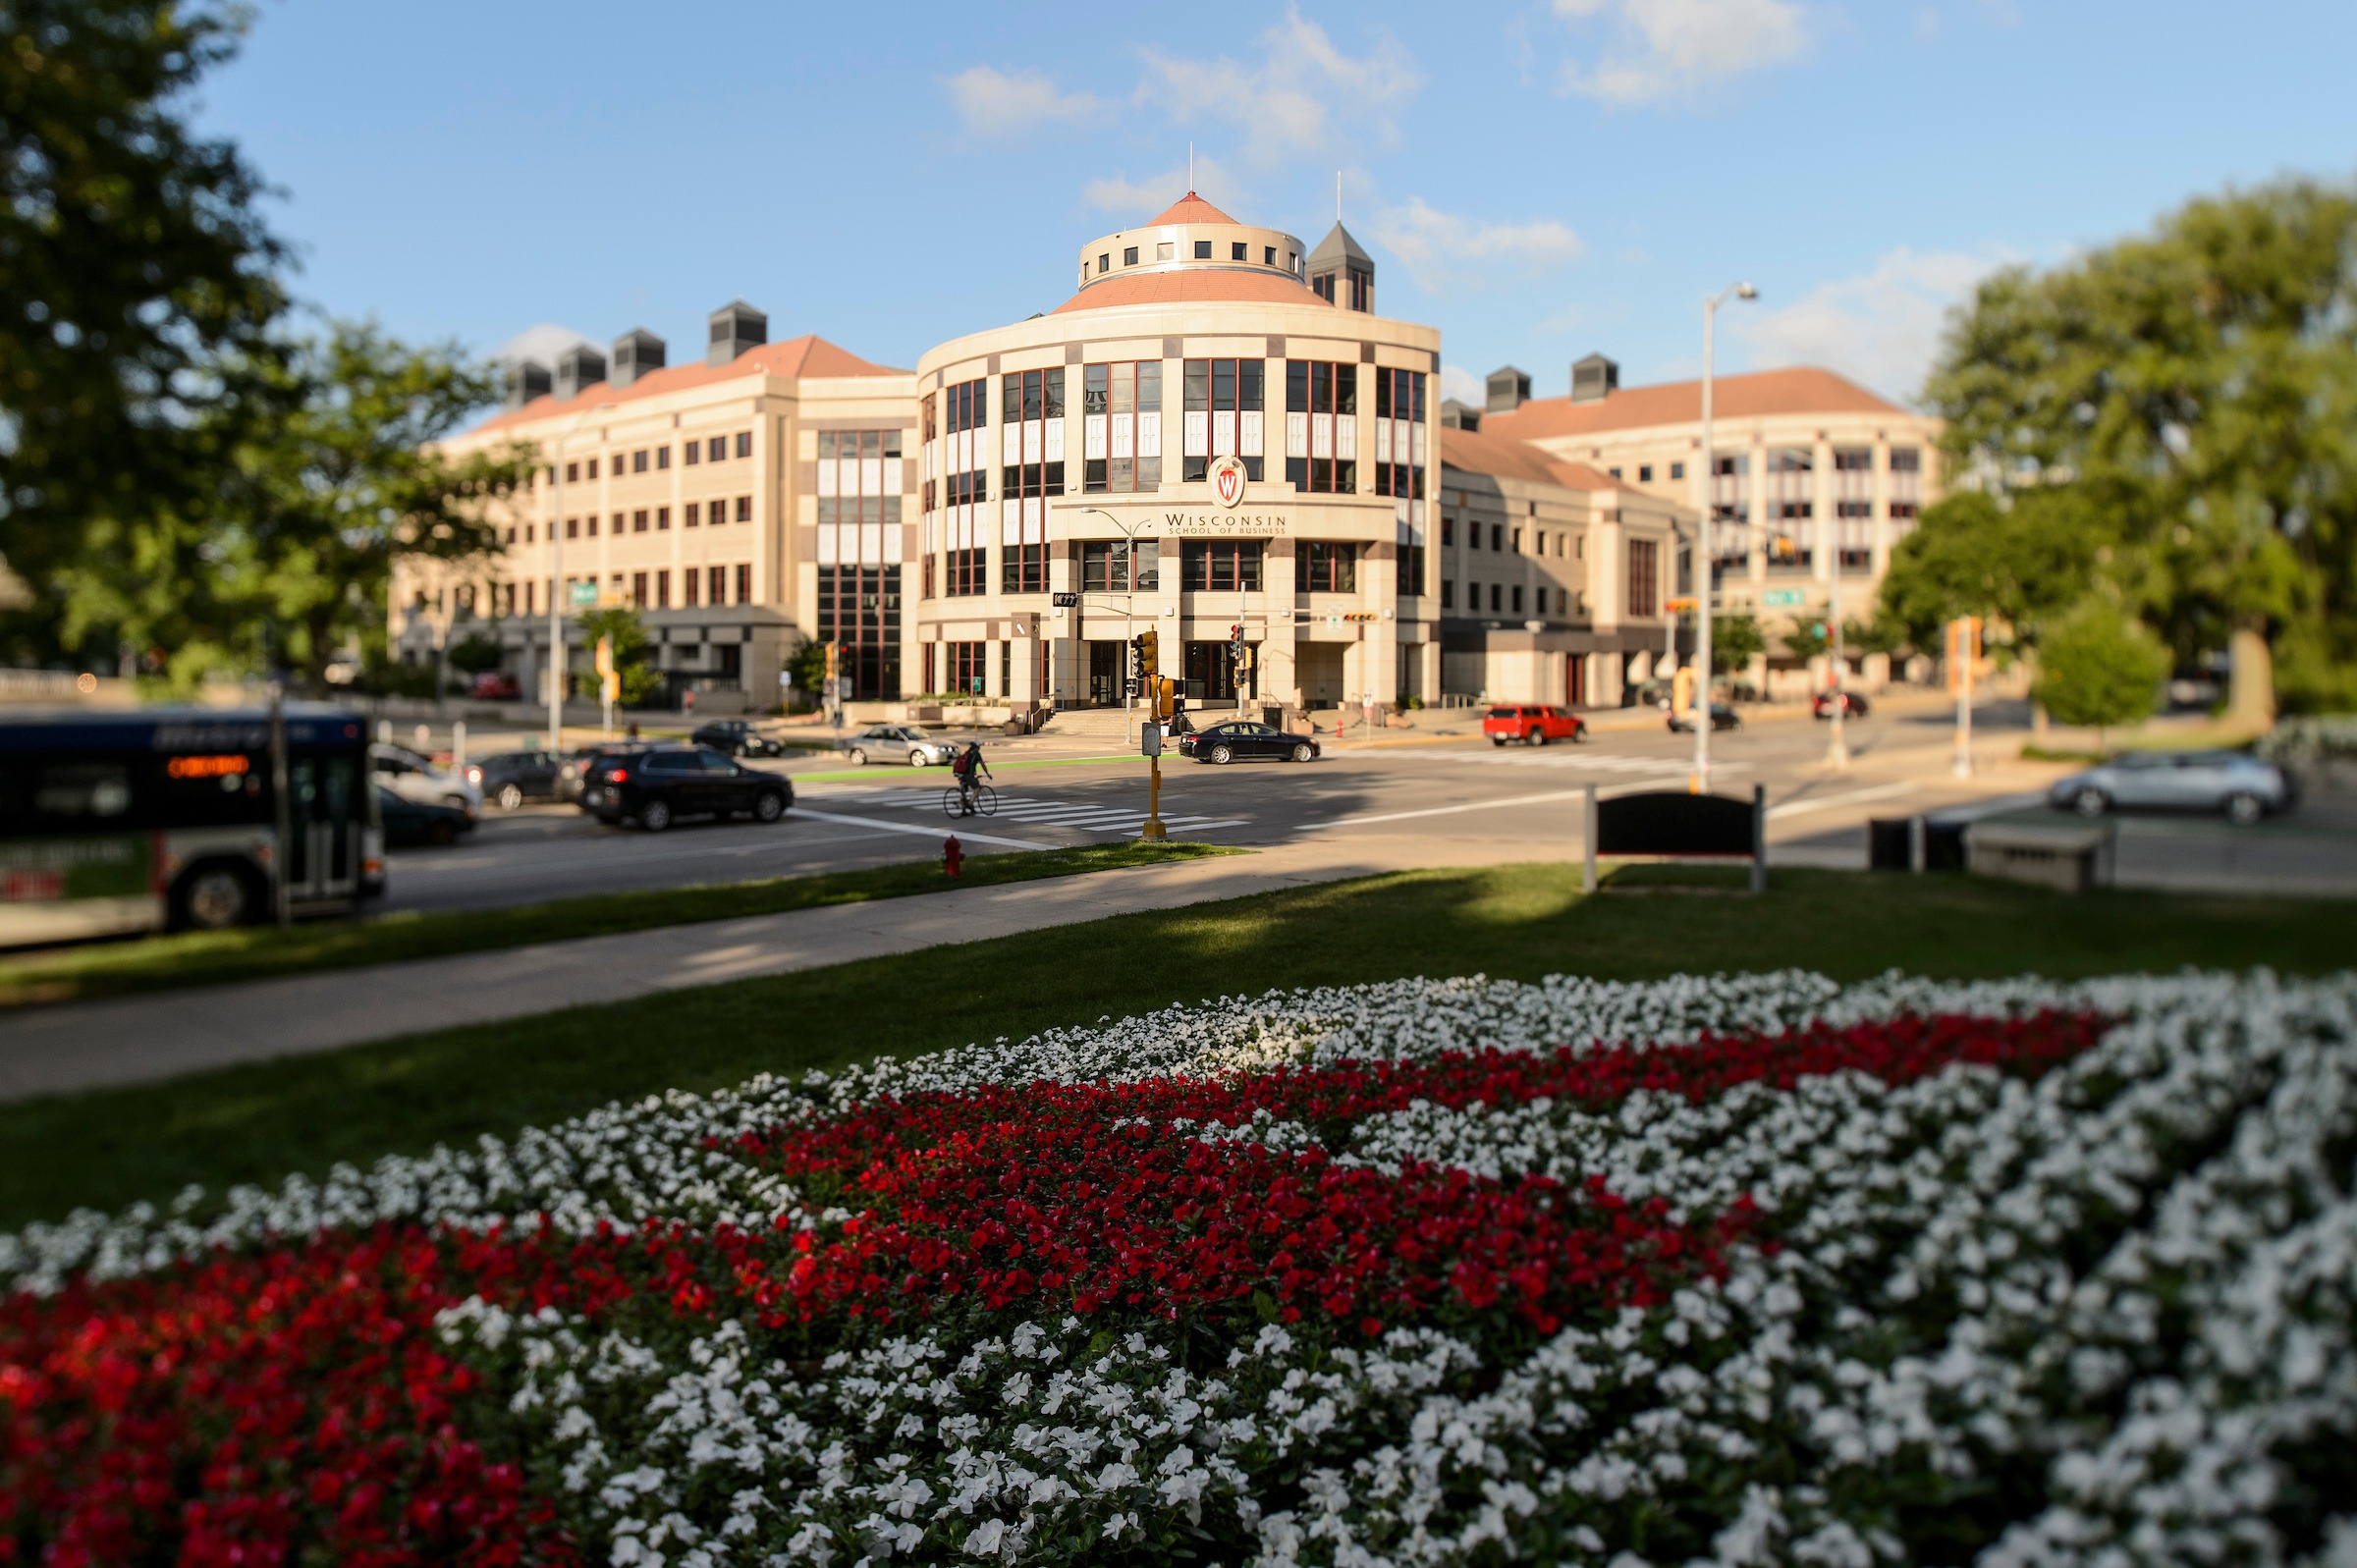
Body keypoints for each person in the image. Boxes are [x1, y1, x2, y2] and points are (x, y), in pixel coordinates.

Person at [952, 741, 991, 814]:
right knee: (977, 788)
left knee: (964, 791)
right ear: (977, 747)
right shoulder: (976, 753)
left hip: (961, 774)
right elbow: (982, 764)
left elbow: (970, 764)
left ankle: (964, 809)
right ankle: (970, 804)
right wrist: (987, 774)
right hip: (969, 775)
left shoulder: (967, 753)